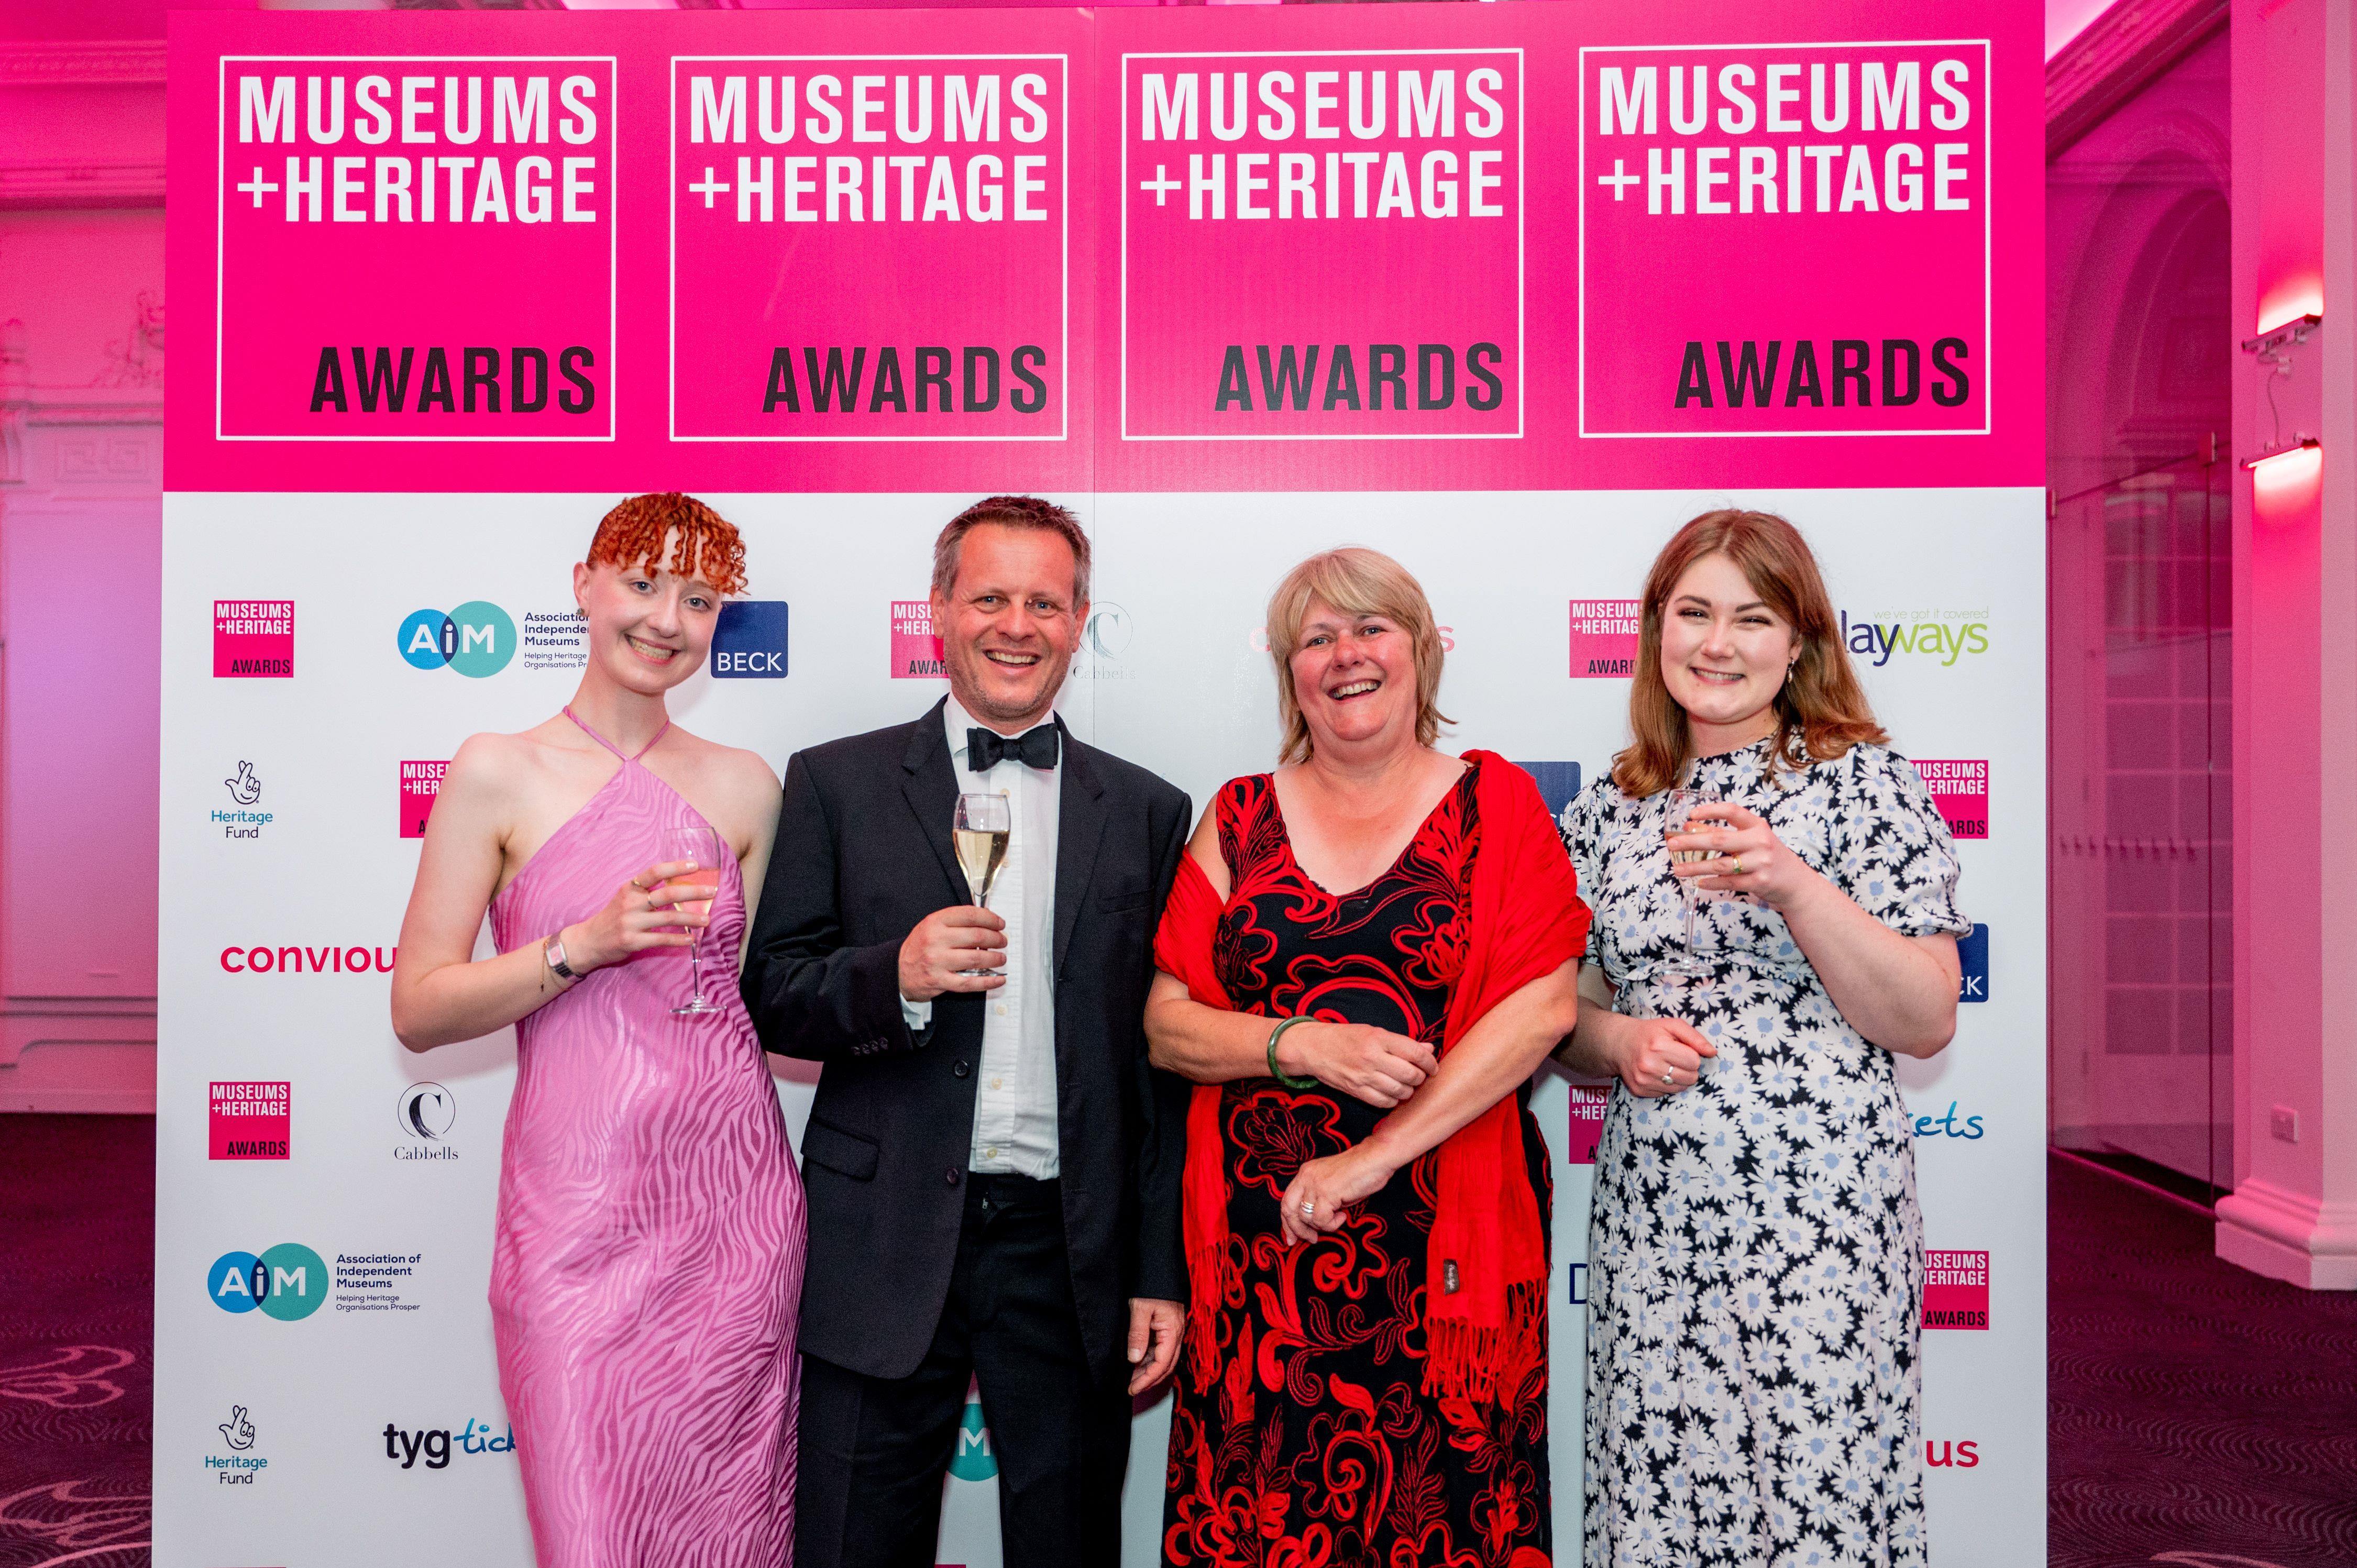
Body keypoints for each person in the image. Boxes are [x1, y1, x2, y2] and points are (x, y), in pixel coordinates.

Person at [741, 495, 1193, 1568]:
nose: (1016, 624)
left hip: (1069, 1248)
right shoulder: (835, 783)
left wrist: (1158, 1269)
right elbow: (772, 993)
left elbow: (1158, 1070)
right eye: (989, 596)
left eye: (1045, 601)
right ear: (938, 609)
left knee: (1070, 1547)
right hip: (881, 1239)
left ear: (1082, 621)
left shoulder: (1148, 811)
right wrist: (889, 977)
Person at [1147, 547, 1586, 1568]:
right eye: (1317, 637)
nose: (1347, 655)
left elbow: (1542, 1008)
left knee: (1443, 1528)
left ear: (1422, 651)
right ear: (1291, 673)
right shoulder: (1239, 814)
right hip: (1263, 1282)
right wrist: (1303, 1045)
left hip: (1442, 1274)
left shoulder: (1497, 806)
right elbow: (1167, 1024)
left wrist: (1374, 1155)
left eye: (1371, 628)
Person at [389, 494, 803, 1566]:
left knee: (738, 1532)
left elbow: (776, 1003)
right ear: (584, 583)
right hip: (575, 1223)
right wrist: (584, 943)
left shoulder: (748, 787)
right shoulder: (495, 769)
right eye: (643, 583)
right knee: (592, 1535)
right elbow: (420, 1006)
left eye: (701, 598)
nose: (669, 618)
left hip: (734, 1220)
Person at [1555, 509, 1968, 1568]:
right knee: (1661, 1501)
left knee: (1818, 1497)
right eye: (1694, 612)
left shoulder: (1867, 783)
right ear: (1656, 631)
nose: (1718, 644)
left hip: (1823, 1228)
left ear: (1800, 644)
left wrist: (1792, 885)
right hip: (1659, 1228)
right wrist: (1617, 1045)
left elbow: (1925, 1018)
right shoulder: (1611, 807)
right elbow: (1565, 1014)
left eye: (1752, 617)